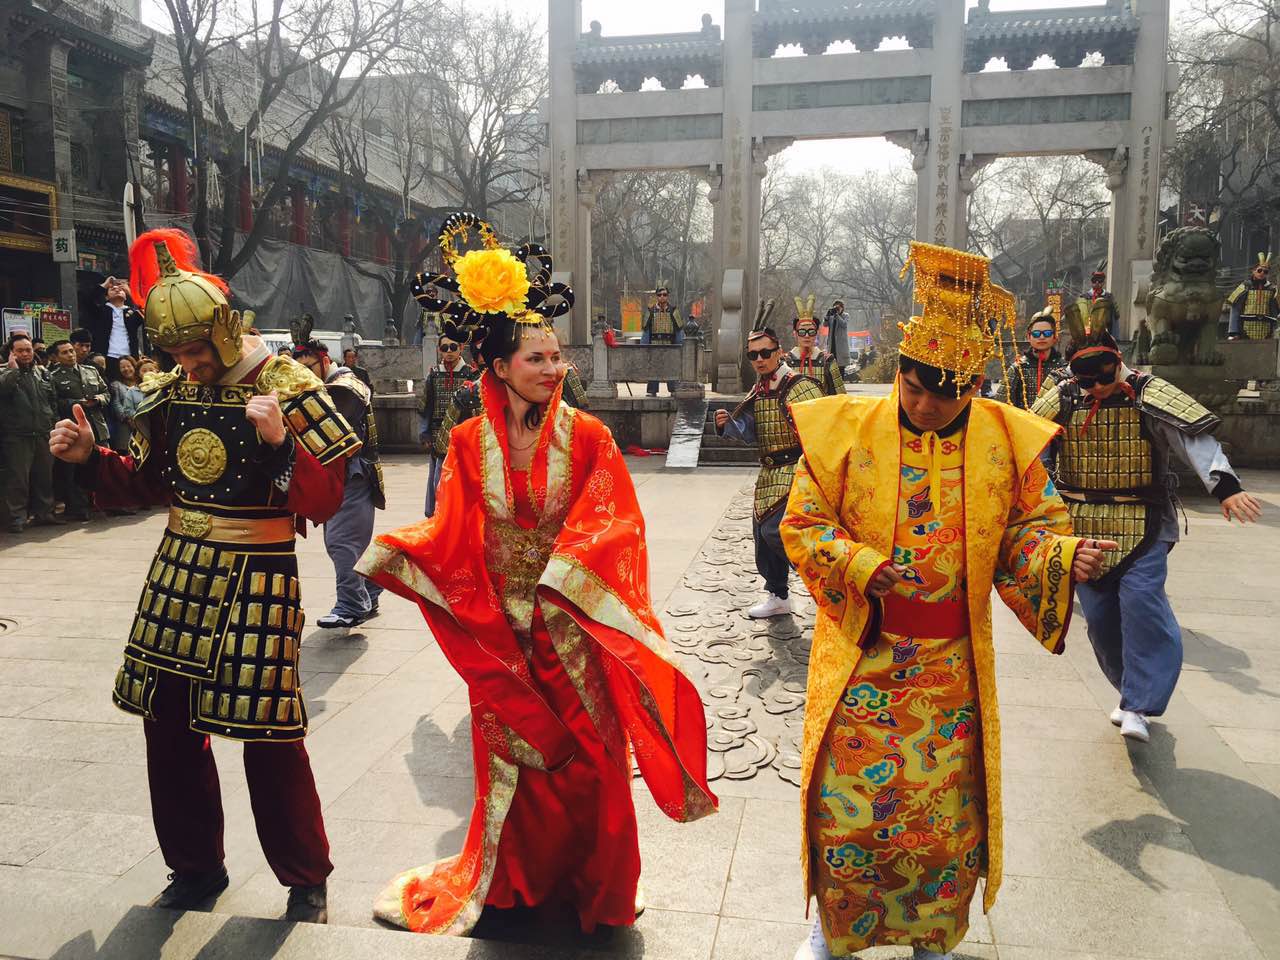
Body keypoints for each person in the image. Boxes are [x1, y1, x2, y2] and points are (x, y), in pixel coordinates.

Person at [358, 212, 716, 936]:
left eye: (557, 357)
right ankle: (515, 893)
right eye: (536, 359)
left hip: (572, 628)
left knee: (592, 765)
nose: (553, 369)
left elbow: (615, 523)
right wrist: (407, 553)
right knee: (515, 766)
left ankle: (598, 895)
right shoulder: (467, 441)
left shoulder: (589, 437)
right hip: (504, 636)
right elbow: (455, 526)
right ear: (499, 368)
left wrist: (563, 581)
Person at [782, 242, 1112, 960]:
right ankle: (832, 927)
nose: (926, 406)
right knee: (848, 812)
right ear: (899, 373)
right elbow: (803, 523)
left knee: (942, 821)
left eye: (946, 394)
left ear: (975, 387)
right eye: (913, 388)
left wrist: (1060, 557)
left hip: (950, 666)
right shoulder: (847, 433)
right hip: (864, 655)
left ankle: (932, 931)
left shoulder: (1003, 441)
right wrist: (858, 563)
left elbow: (1029, 530)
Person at [48, 228, 363, 923]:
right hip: (178, 570)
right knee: (166, 723)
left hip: (258, 572)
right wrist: (91, 459)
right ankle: (194, 868)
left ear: (224, 329)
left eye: (195, 351)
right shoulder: (172, 389)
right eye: (176, 354)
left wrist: (279, 443)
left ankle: (305, 879)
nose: (186, 365)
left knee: (267, 729)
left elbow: (325, 498)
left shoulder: (291, 385)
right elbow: (149, 483)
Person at [1032, 297, 1262, 743]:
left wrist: (1226, 488)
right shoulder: (1063, 395)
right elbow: (1031, 447)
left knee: (1142, 605)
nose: (1097, 390)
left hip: (1144, 520)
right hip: (1080, 523)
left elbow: (1192, 439)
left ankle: (1139, 704)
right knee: (1099, 619)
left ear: (1116, 364)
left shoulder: (1147, 392)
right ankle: (1129, 691)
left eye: (1103, 379)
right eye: (1087, 383)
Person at [714, 302, 825, 618]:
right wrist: (728, 425)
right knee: (761, 535)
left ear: (779, 352)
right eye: (753, 355)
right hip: (768, 472)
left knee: (778, 531)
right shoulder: (760, 389)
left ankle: (825, 583)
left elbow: (822, 434)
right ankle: (778, 595)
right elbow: (754, 430)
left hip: (797, 471)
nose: (760, 359)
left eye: (765, 353)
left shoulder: (799, 386)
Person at [293, 324, 387, 629]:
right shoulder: (326, 385)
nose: (304, 374)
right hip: (338, 475)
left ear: (324, 360)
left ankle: (351, 605)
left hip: (354, 474)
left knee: (341, 541)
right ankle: (370, 590)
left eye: (308, 367)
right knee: (349, 542)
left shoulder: (347, 384)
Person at [416, 322, 480, 516]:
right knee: (438, 479)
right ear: (439, 350)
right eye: (445, 348)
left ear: (460, 348)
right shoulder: (433, 375)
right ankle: (437, 515)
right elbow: (426, 407)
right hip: (438, 436)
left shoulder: (472, 374)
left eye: (453, 347)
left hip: (464, 435)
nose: (449, 351)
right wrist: (425, 433)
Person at [0, 333, 61, 532]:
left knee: (44, 477)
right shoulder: (4, 373)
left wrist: (53, 424)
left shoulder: (42, 373)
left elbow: (52, 401)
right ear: (11, 353)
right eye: (20, 351)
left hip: (43, 433)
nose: (26, 354)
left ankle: (45, 513)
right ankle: (16, 518)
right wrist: (13, 370)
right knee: (18, 479)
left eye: (28, 350)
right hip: (17, 436)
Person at [48, 337, 110, 521]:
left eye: (71, 351)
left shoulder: (90, 370)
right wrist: (76, 403)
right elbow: (54, 402)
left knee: (104, 464)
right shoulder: (53, 376)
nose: (70, 355)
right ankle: (78, 507)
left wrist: (97, 400)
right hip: (74, 428)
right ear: (56, 357)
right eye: (65, 352)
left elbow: (106, 393)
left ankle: (108, 502)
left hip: (97, 426)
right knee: (74, 471)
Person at [998, 308, 1068, 409]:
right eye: (1036, 334)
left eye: (1047, 333)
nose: (1042, 337)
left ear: (1054, 337)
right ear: (1028, 337)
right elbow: (1001, 405)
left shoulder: (1064, 368)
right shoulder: (1018, 368)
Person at [87, 275, 146, 377]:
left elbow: (146, 310)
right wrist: (105, 285)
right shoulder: (101, 310)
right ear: (107, 297)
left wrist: (130, 292)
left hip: (129, 357)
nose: (117, 290)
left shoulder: (132, 312)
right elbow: (88, 301)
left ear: (125, 296)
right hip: (107, 356)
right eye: (112, 289)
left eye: (121, 289)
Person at [786, 295, 845, 396]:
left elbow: (840, 397)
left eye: (811, 332)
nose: (807, 336)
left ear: (816, 333)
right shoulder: (785, 362)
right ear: (795, 334)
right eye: (802, 332)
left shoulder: (828, 361)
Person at [1226, 252, 1278, 340]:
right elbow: (1236, 309)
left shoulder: (1272, 289)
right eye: (1259, 270)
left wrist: (1276, 330)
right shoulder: (1246, 286)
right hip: (1245, 328)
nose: (1262, 273)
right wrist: (1234, 332)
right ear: (1253, 271)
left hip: (1266, 329)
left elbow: (1274, 311)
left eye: (1265, 272)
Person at [641, 285, 682, 396]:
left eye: (664, 294)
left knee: (671, 367)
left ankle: (674, 390)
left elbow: (678, 330)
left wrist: (680, 346)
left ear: (667, 296)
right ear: (657, 296)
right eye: (659, 295)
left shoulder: (674, 311)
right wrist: (643, 347)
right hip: (654, 344)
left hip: (670, 344)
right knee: (654, 367)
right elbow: (646, 331)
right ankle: (652, 390)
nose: (662, 297)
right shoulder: (650, 311)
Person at [108, 355, 144, 452]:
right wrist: (129, 420)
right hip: (125, 427)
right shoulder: (116, 385)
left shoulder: (142, 383)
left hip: (144, 424)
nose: (126, 369)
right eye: (122, 367)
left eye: (129, 366)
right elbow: (116, 405)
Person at [823, 299, 850, 370]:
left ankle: (841, 376)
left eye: (838, 308)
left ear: (842, 308)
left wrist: (836, 315)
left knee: (841, 366)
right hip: (832, 343)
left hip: (841, 345)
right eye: (835, 308)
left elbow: (844, 324)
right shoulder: (831, 317)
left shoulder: (845, 315)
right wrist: (827, 316)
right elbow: (825, 325)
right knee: (831, 365)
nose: (837, 310)